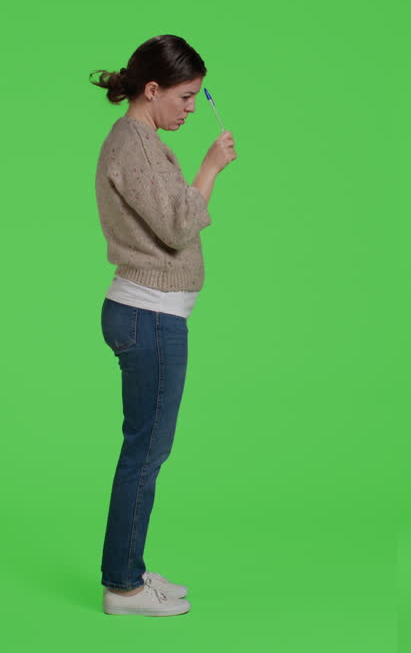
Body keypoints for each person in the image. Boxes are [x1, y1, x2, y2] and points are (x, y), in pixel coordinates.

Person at [91, 34, 237, 616]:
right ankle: (122, 587)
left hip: (148, 316)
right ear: (152, 90)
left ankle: (128, 567)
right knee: (146, 453)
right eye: (185, 96)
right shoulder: (139, 146)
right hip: (148, 318)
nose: (192, 108)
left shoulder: (139, 140)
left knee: (146, 450)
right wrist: (210, 166)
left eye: (199, 97)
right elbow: (179, 225)